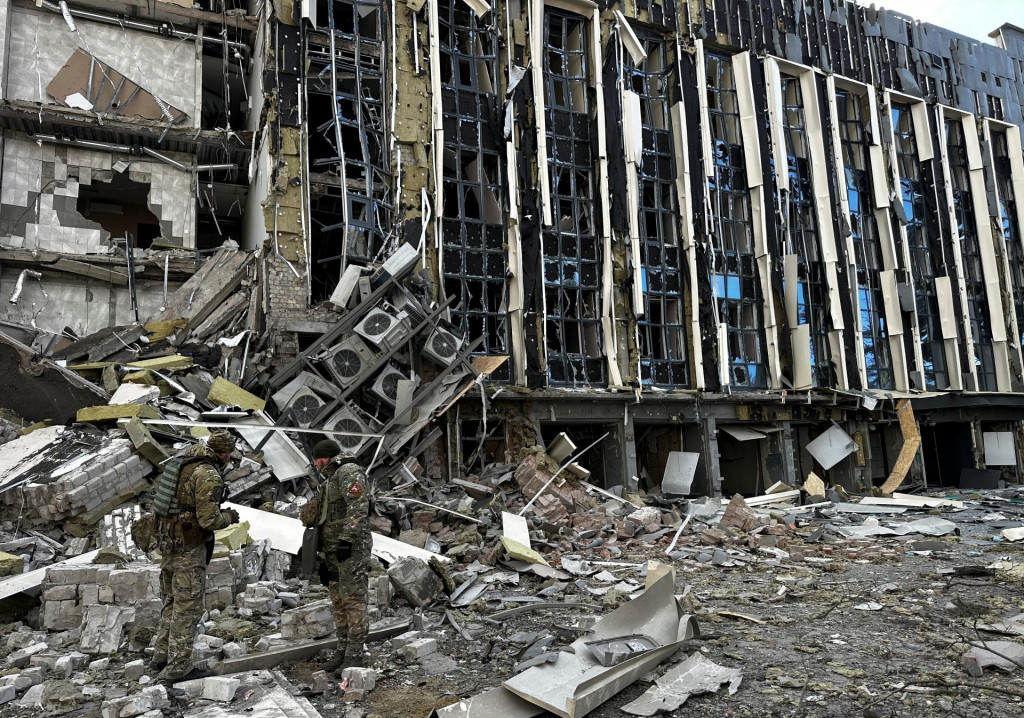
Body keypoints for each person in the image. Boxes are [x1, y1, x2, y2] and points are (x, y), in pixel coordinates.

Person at [152, 431, 240, 682]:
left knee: (171, 602)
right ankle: (178, 669)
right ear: (223, 453)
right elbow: (209, 520)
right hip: (189, 549)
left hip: (169, 543)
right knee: (187, 608)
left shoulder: (185, 461)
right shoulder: (207, 474)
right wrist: (230, 517)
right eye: (229, 455)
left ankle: (160, 657)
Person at [300, 439, 371, 674]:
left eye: (315, 459)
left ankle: (355, 655)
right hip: (333, 551)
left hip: (350, 549)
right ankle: (342, 651)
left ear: (323, 458)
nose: (314, 464)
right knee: (338, 601)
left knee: (353, 600)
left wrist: (347, 539)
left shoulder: (348, 472)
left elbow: (359, 505)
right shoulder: (330, 479)